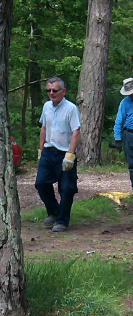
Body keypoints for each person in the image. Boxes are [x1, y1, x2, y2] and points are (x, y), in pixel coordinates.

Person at [35, 76, 81, 233]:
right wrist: (41, 150)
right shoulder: (47, 106)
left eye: (55, 90)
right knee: (41, 183)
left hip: (64, 153)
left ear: (63, 91)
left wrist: (70, 154)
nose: (51, 93)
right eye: (49, 90)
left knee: (67, 188)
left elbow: (76, 132)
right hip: (49, 151)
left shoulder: (71, 108)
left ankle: (62, 220)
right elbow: (44, 128)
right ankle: (54, 211)